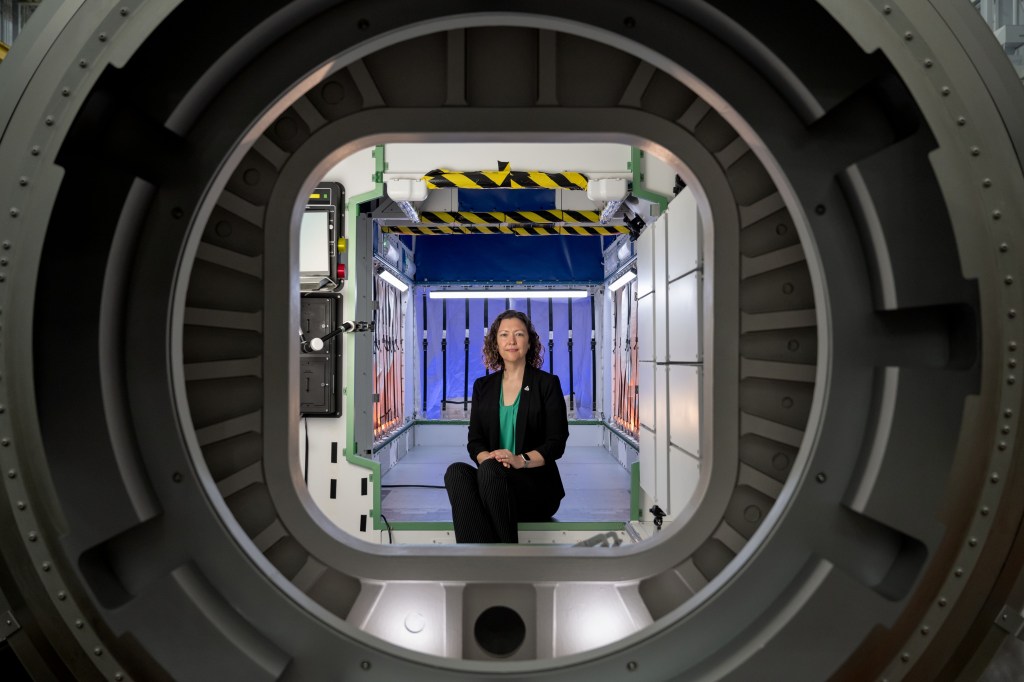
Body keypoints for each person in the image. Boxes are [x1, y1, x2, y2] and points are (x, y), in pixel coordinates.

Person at [444, 309, 569, 543]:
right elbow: (476, 440)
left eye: (519, 334)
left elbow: (556, 442)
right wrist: (489, 459)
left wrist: (519, 460)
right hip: (493, 479)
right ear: (495, 343)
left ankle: (506, 559)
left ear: (529, 342)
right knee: (457, 473)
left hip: (534, 486)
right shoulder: (483, 386)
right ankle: (477, 560)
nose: (511, 341)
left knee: (491, 472)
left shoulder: (547, 384)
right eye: (504, 335)